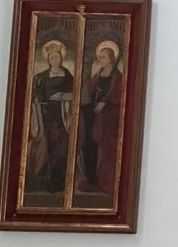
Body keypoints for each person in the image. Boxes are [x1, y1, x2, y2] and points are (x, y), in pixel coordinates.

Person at [26, 35, 76, 201]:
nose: (55, 60)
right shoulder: (40, 77)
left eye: (57, 57)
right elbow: (34, 96)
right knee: (46, 147)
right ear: (48, 60)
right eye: (52, 58)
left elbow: (75, 93)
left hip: (62, 115)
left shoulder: (68, 75)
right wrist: (37, 103)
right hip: (45, 116)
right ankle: (45, 180)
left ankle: (59, 181)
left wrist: (64, 96)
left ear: (61, 58)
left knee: (61, 148)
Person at [77, 37, 127, 199]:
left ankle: (106, 180)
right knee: (89, 143)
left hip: (108, 117)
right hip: (94, 113)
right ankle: (92, 179)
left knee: (106, 147)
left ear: (111, 58)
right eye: (100, 58)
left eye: (104, 57)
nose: (102, 60)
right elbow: (90, 90)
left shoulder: (117, 76)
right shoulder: (99, 73)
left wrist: (105, 102)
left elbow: (119, 94)